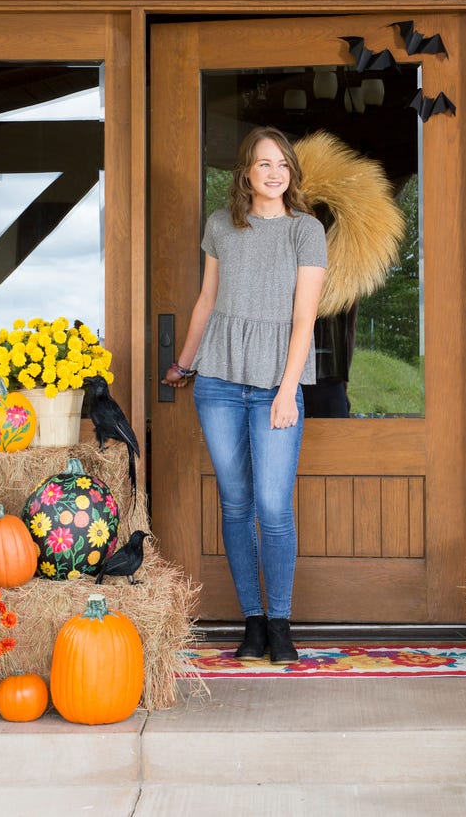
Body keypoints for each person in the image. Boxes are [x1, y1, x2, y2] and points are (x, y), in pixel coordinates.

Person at [162, 126, 327, 663]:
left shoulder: (306, 230)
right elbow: (207, 302)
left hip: (276, 385)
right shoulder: (220, 226)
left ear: (291, 174)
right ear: (246, 174)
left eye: (282, 164)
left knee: (274, 507)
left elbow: (304, 320)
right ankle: (252, 621)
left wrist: (287, 393)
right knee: (236, 505)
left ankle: (280, 622)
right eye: (263, 164)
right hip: (218, 384)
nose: (273, 172)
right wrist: (184, 364)